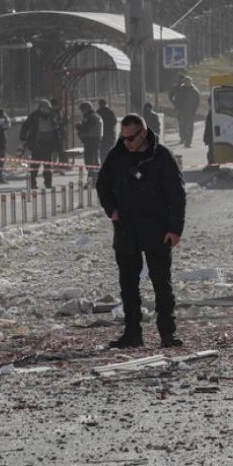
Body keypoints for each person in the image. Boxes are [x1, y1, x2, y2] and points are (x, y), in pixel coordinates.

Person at [96, 114, 186, 349]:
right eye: (123, 138)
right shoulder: (117, 156)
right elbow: (102, 184)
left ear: (144, 133)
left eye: (131, 138)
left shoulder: (162, 156)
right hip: (126, 230)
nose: (127, 143)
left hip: (156, 229)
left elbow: (177, 194)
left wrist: (175, 229)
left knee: (161, 284)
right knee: (128, 285)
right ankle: (132, 333)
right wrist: (111, 209)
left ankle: (167, 333)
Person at [19, 100, 62, 189]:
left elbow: (58, 128)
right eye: (45, 108)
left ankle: (48, 183)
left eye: (48, 108)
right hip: (37, 143)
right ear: (41, 108)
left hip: (49, 143)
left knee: (47, 165)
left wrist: (58, 141)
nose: (46, 110)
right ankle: (33, 183)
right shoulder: (34, 116)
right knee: (35, 164)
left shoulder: (53, 116)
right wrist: (23, 138)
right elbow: (25, 126)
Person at [75, 102, 103, 185]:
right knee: (93, 161)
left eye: (82, 110)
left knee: (90, 161)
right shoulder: (94, 116)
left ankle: (92, 181)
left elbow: (85, 128)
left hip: (91, 141)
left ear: (86, 109)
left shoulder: (91, 117)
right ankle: (93, 180)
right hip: (94, 141)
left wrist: (78, 126)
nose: (82, 112)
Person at [171, 76, 201, 147]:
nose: (187, 83)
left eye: (188, 82)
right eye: (186, 82)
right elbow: (177, 99)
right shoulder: (180, 90)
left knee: (189, 127)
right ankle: (183, 138)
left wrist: (194, 111)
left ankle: (188, 141)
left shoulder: (194, 91)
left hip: (191, 112)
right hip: (182, 112)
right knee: (182, 126)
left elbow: (197, 102)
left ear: (191, 82)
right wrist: (177, 108)